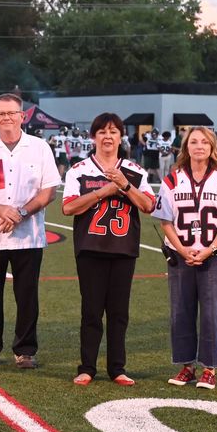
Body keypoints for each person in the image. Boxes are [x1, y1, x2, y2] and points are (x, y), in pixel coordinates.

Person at [0, 93, 61, 369]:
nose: (6, 118)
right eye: (1, 113)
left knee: (27, 294)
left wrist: (20, 213)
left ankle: (25, 349)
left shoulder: (39, 148)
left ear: (22, 116)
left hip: (28, 236)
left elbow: (49, 190)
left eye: (11, 113)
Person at [62, 113, 155, 386]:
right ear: (93, 137)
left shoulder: (135, 171)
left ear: (120, 137)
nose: (107, 136)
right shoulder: (79, 170)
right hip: (90, 248)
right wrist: (104, 191)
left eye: (113, 131)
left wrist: (124, 185)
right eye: (102, 132)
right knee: (91, 311)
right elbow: (68, 208)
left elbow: (148, 206)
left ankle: (117, 368)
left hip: (123, 248)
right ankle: (87, 367)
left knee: (119, 312)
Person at [153, 127, 217, 390]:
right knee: (181, 311)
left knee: (211, 312)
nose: (199, 146)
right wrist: (183, 250)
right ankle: (186, 366)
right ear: (186, 147)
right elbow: (165, 221)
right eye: (193, 142)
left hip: (214, 256)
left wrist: (210, 249)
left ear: (212, 146)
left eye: (204, 141)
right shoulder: (172, 180)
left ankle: (209, 368)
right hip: (181, 255)